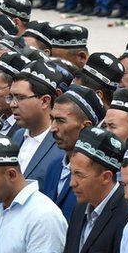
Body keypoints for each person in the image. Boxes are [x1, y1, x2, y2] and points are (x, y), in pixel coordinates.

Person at [45, 85, 105, 220]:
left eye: (60, 121)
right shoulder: (54, 167)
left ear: (86, 127)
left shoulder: (96, 176)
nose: (52, 128)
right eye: (52, 119)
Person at [9, 60, 64, 192]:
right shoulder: (17, 136)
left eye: (20, 98)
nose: (12, 104)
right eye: (11, 97)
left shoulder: (61, 147)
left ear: (45, 101)